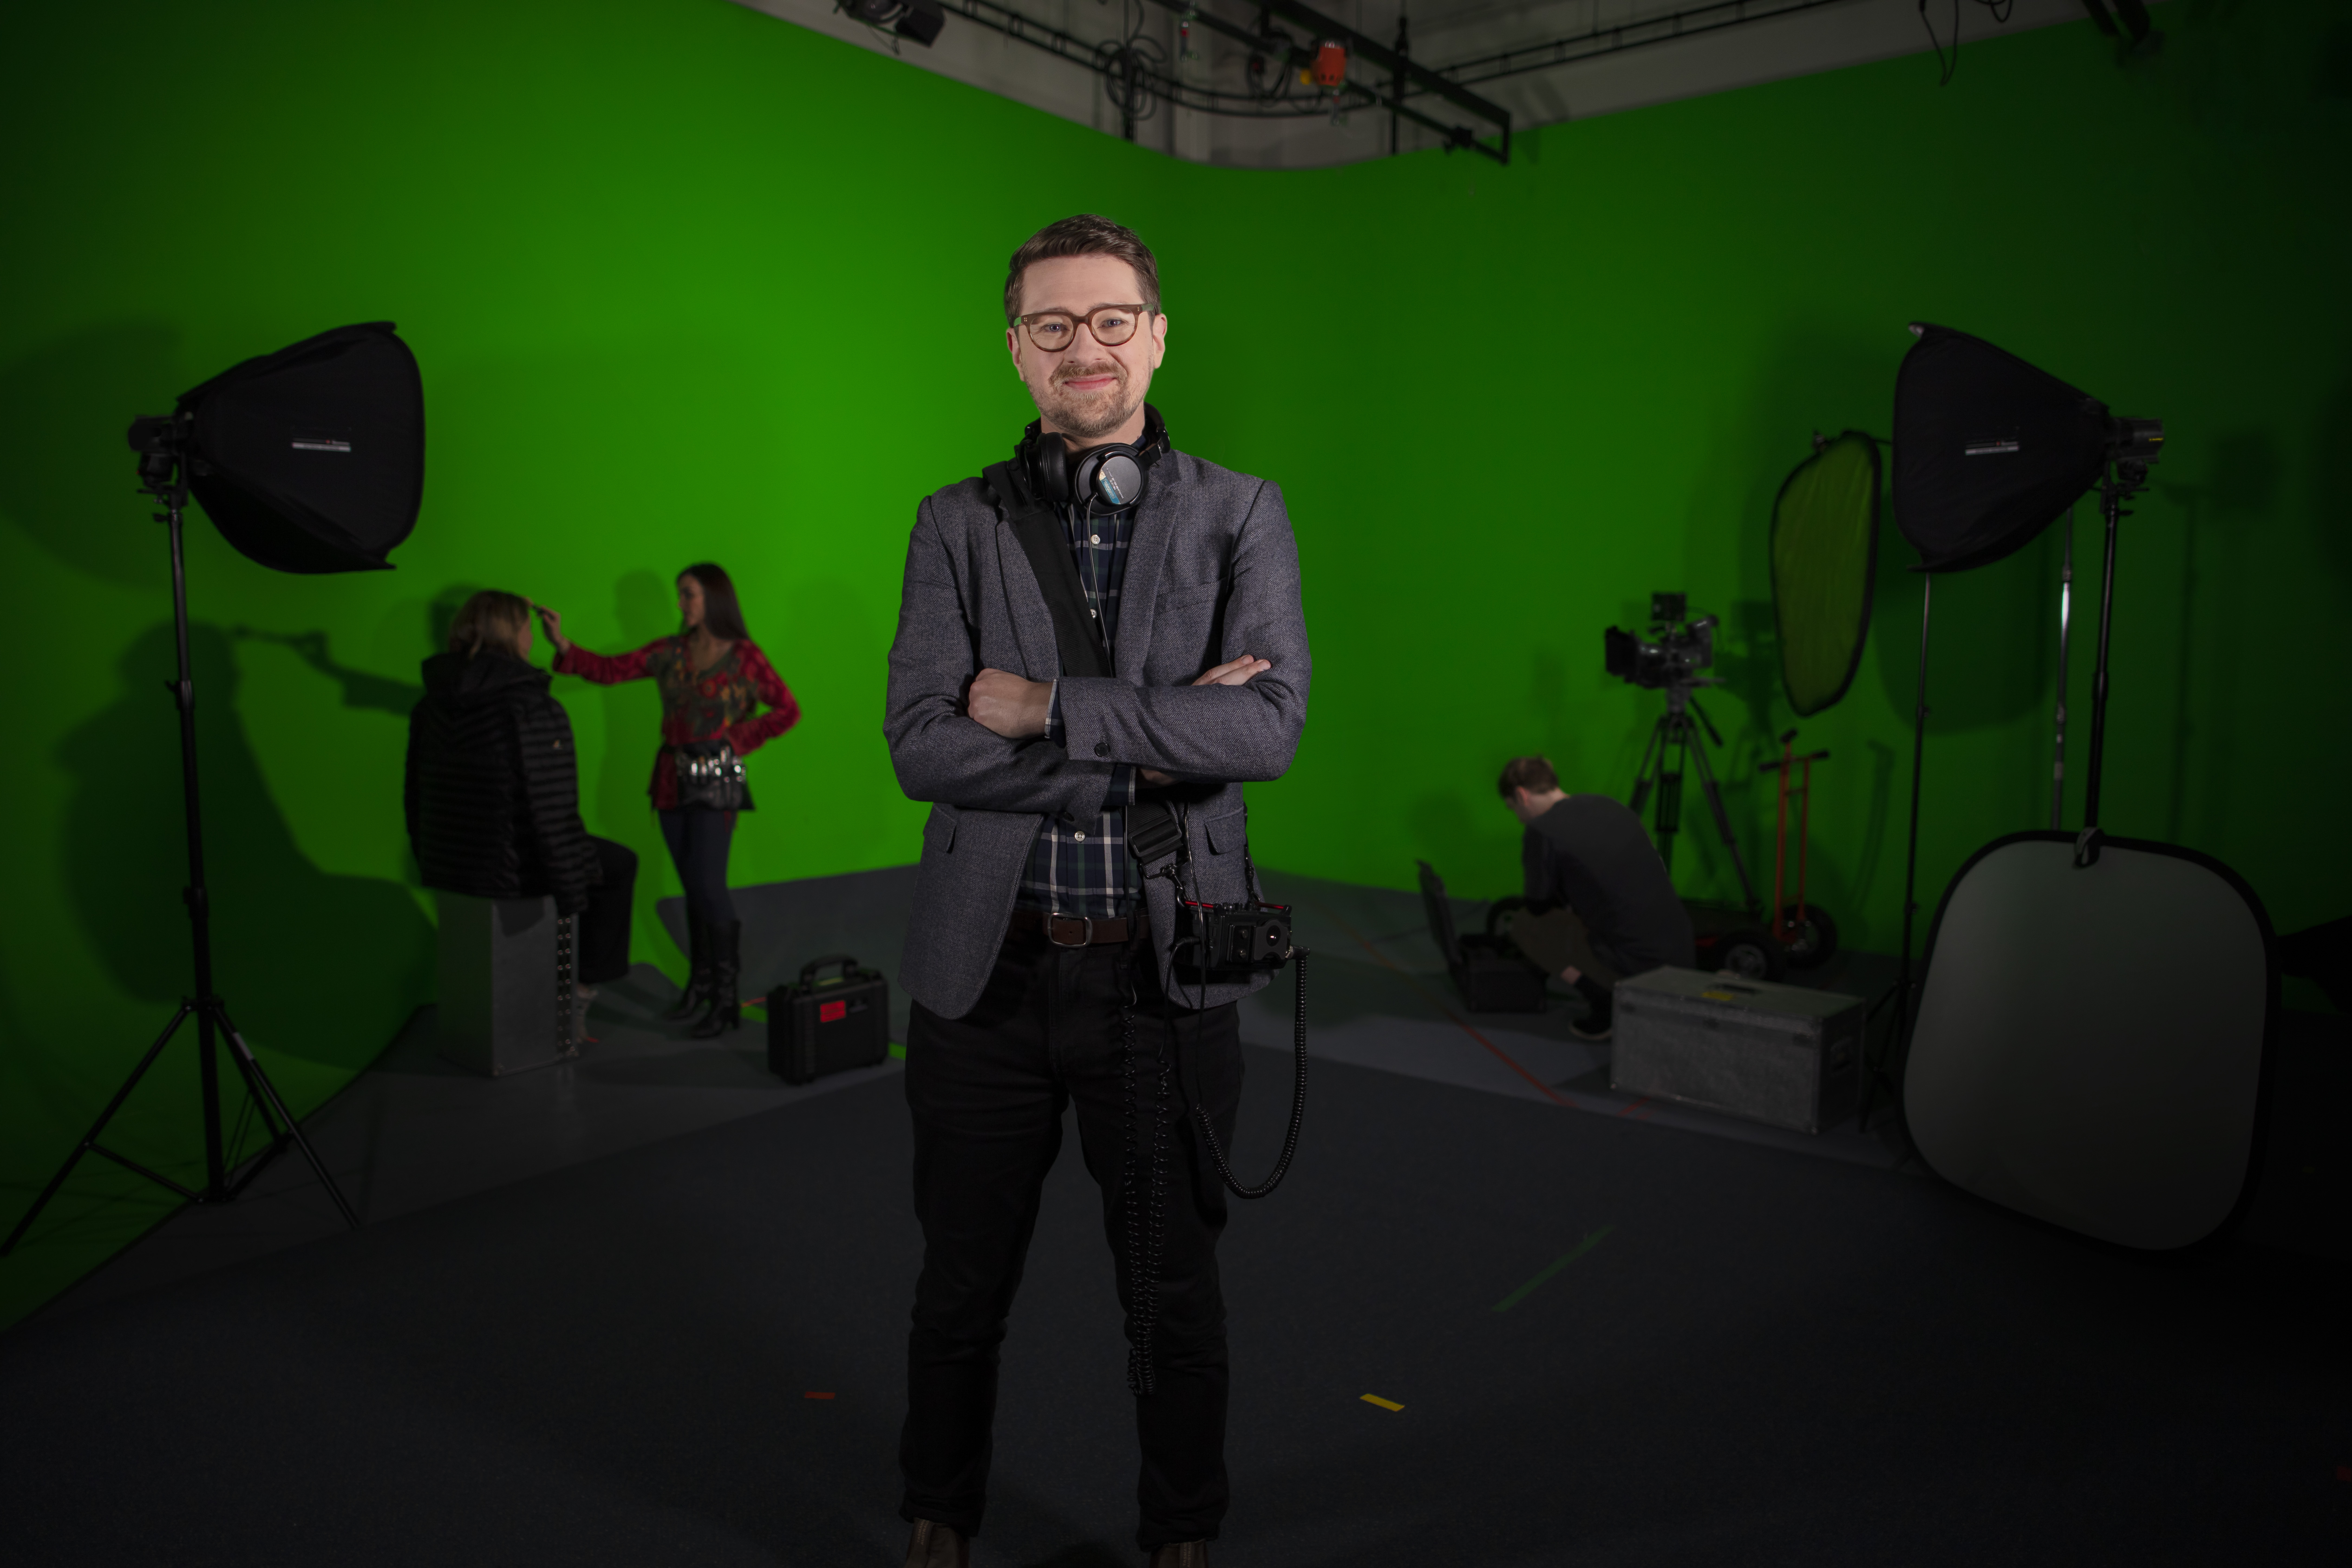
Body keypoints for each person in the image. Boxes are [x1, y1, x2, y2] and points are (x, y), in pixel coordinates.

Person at [883, 214, 1309, 1568]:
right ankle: (939, 1516)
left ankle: (1183, 1536)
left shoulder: (1240, 510)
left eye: (1112, 319)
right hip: (985, 978)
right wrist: (1152, 740)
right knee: (957, 1295)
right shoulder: (954, 523)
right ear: (1015, 349)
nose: (1087, 347)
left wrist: (1048, 712)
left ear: (1158, 335)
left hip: (1160, 981)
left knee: (1173, 1302)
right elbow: (921, 743)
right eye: (1055, 325)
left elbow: (1269, 733)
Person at [536, 565, 800, 1038]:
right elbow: (611, 670)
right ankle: (700, 987)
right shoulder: (670, 651)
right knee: (691, 886)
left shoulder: (744, 656)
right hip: (670, 778)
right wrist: (563, 646)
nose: (681, 604)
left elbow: (787, 709)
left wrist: (737, 737)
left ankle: (725, 998)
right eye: (681, 596)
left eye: (689, 595)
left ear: (713, 599)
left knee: (708, 884)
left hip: (716, 777)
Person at [405, 590, 639, 999]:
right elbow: (551, 810)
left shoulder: (432, 705)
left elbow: (414, 792)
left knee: (597, 862)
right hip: (510, 864)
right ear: (513, 635)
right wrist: (571, 893)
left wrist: (427, 856)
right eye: (526, 628)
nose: (531, 637)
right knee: (617, 865)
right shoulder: (530, 706)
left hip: (450, 857)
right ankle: (581, 989)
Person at [1498, 755, 1696, 1042]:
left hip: (1637, 966)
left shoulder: (1541, 830)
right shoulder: (1608, 805)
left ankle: (1605, 1002)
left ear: (1521, 795)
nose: (1517, 816)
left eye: (1512, 808)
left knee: (1524, 924)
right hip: (1679, 950)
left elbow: (1538, 905)